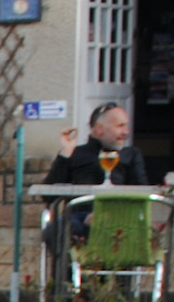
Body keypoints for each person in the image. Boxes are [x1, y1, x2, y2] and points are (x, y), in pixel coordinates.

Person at [40, 103, 146, 254]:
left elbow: (142, 192)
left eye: (126, 126)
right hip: (78, 219)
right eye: (120, 126)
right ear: (99, 129)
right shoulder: (76, 153)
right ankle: (68, 277)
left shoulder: (131, 154)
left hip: (118, 218)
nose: (126, 132)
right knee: (55, 230)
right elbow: (48, 195)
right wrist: (65, 155)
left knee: (126, 232)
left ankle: (114, 276)